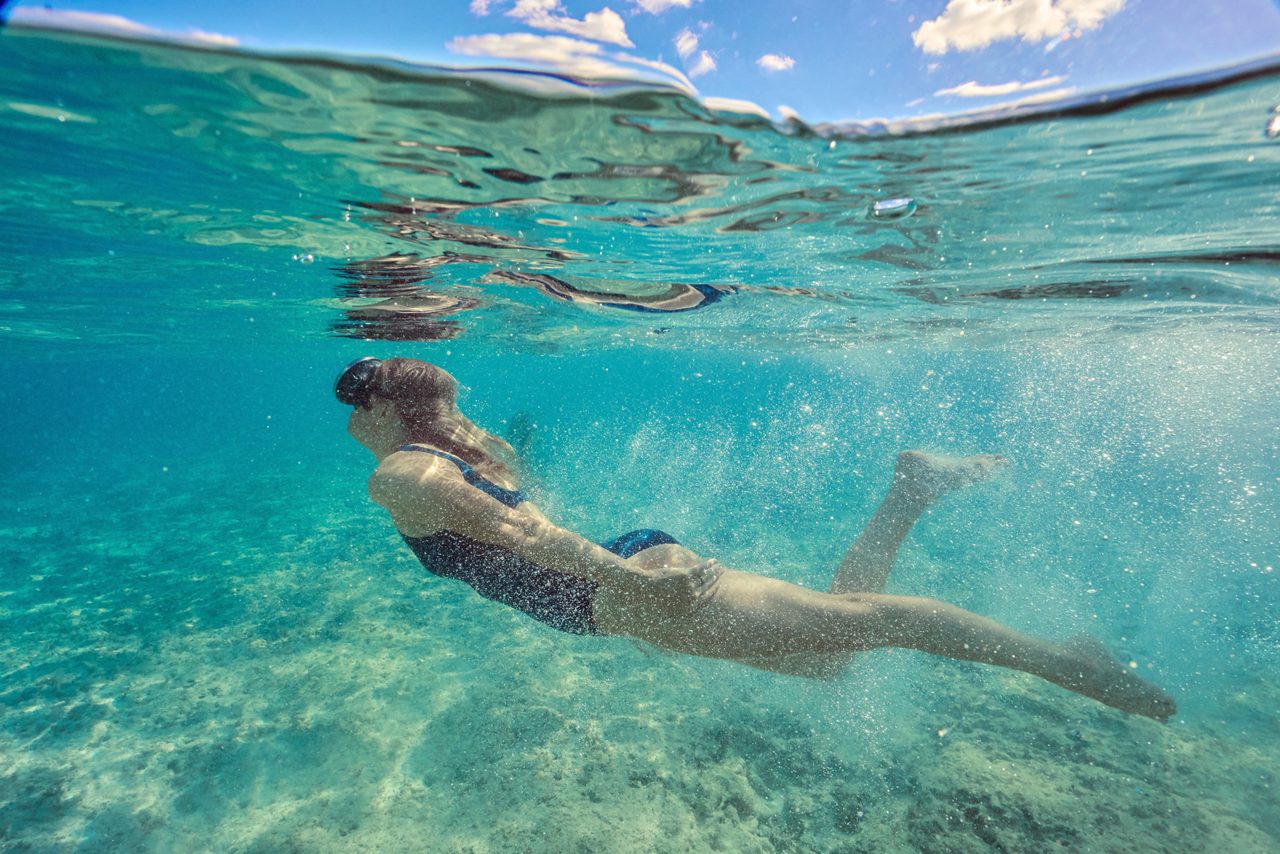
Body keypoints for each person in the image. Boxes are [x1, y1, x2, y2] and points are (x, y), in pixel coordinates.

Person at [337, 356, 1177, 721]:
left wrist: (641, 589)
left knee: (864, 623)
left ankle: (1070, 664)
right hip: (620, 585)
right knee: (832, 653)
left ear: (381, 410)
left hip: (622, 591)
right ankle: (909, 493)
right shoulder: (465, 450)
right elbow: (527, 517)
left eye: (353, 402)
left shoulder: (403, 477)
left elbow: (529, 533)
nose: (346, 418)